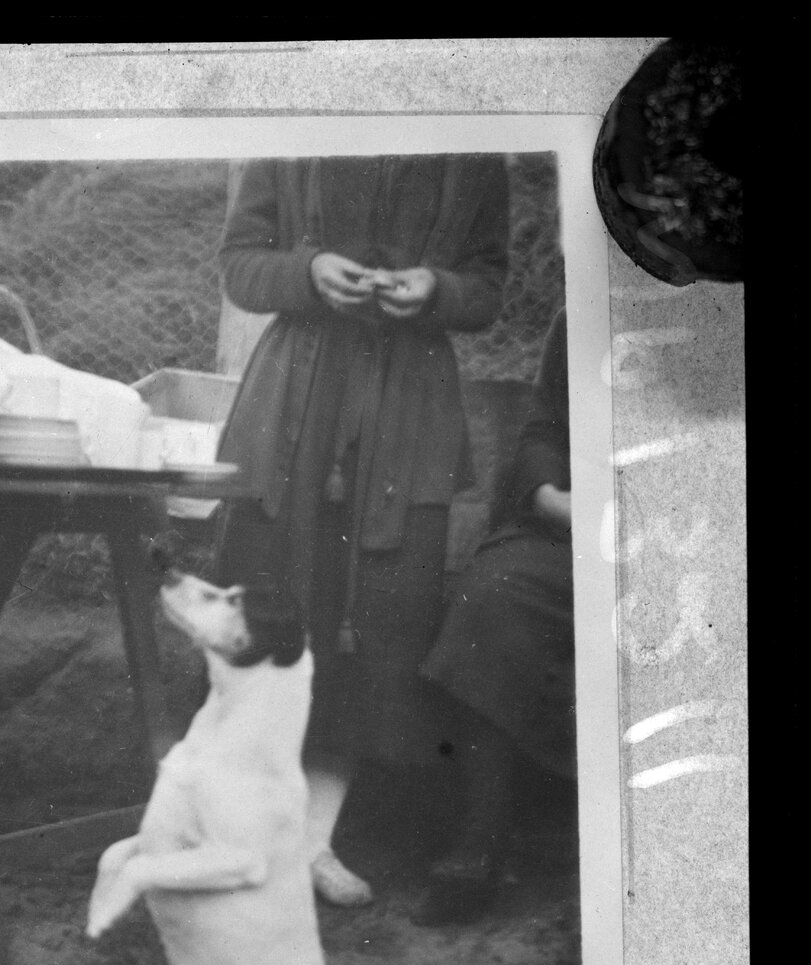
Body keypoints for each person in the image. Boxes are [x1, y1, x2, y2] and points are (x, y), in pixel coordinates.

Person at [213, 155, 510, 906]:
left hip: (408, 406)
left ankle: (313, 840)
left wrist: (436, 289)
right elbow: (240, 266)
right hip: (295, 403)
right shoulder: (294, 129)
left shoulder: (472, 150)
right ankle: (243, 834)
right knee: (270, 600)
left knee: (378, 622)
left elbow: (487, 285)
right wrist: (309, 273)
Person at [415, 306, 572, 924]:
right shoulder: (590, 309)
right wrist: (546, 494)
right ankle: (480, 841)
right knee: (492, 597)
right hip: (589, 527)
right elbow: (545, 427)